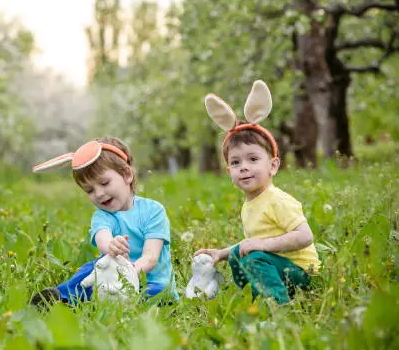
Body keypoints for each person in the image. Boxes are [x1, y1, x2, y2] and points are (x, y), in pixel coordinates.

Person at [195, 80, 321, 304]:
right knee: (239, 254)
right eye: (236, 162)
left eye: (253, 159)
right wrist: (221, 253)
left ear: (273, 165)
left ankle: (276, 304)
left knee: (253, 257)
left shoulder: (277, 200)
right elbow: (253, 241)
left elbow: (305, 236)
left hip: (302, 271)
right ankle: (255, 296)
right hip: (276, 264)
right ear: (229, 171)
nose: (243, 166)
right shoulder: (250, 204)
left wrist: (261, 246)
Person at [30, 137, 178, 308]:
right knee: (89, 270)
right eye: (89, 190)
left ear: (127, 174)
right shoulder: (103, 216)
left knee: (154, 293)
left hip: (150, 283)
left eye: (104, 183)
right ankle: (60, 297)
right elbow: (103, 238)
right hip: (110, 278)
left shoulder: (153, 211)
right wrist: (111, 247)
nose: (99, 194)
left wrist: (128, 274)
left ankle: (114, 300)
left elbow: (150, 258)